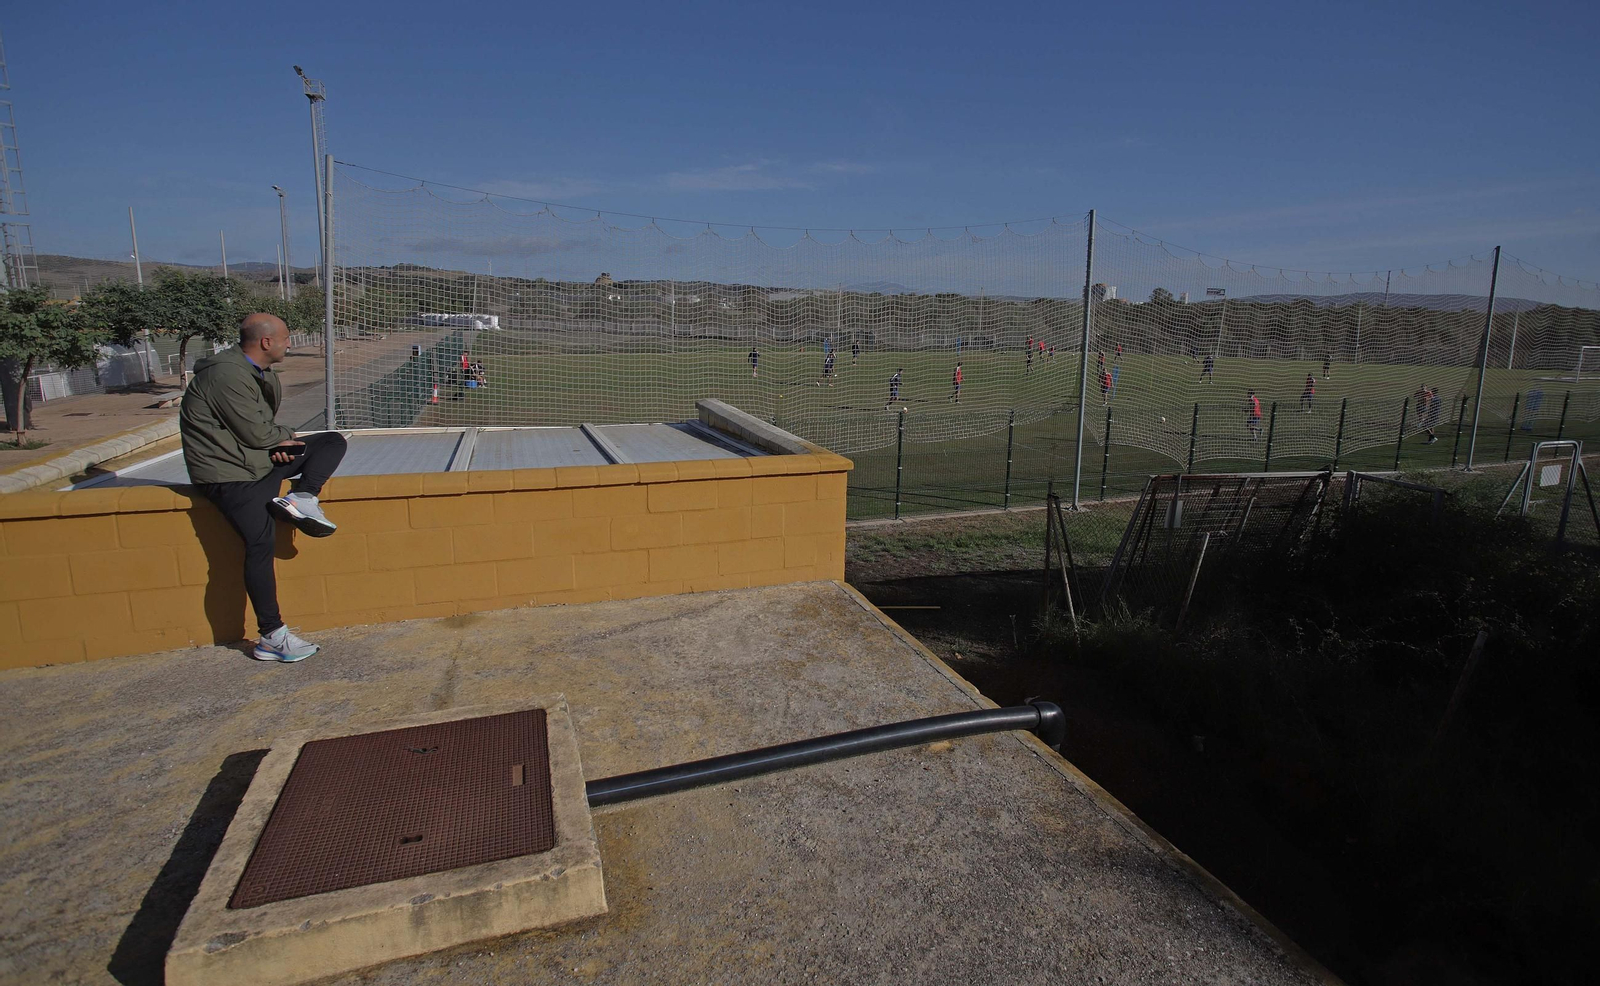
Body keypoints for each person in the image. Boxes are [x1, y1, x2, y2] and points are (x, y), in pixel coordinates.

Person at [181, 313, 348, 663]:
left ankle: (301, 498)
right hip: (231, 476)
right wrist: (282, 437)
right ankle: (272, 636)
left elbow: (257, 430)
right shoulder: (225, 375)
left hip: (255, 461)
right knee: (260, 545)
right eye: (287, 338)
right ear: (267, 342)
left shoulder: (254, 372)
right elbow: (258, 433)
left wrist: (277, 442)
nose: (290, 343)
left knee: (330, 442)